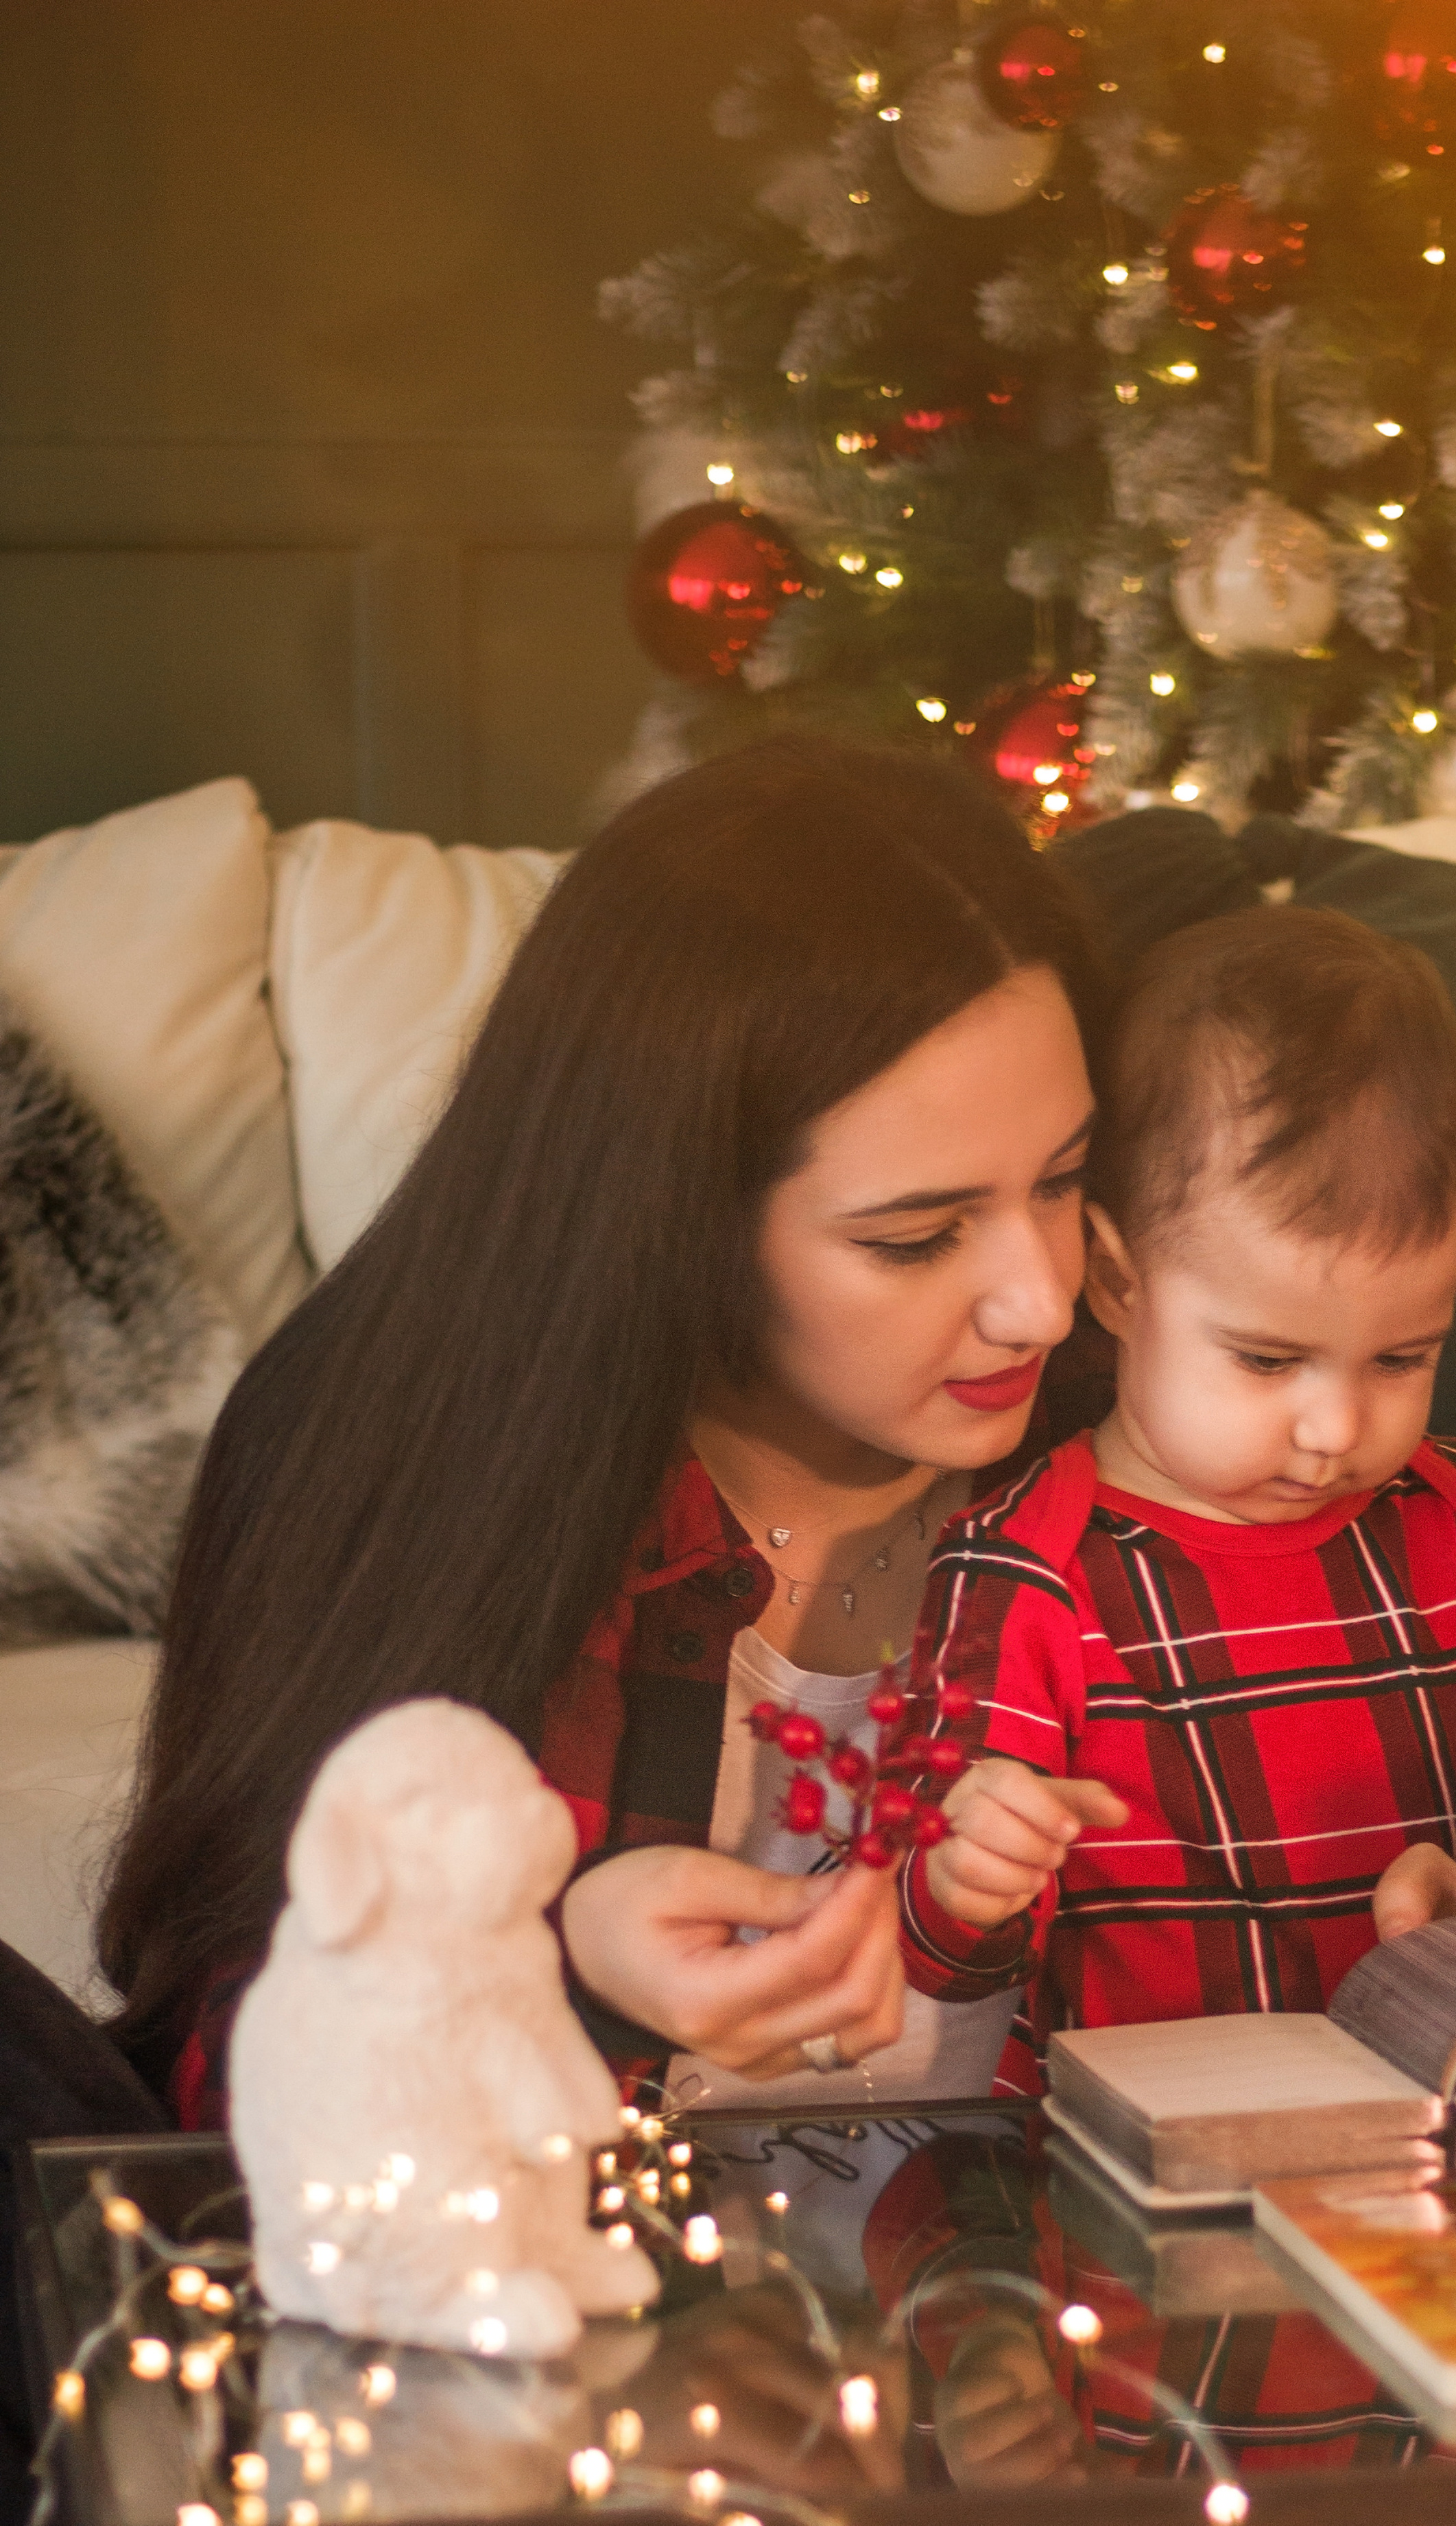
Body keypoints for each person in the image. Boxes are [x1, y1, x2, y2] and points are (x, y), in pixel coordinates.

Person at [95, 736, 1111, 2122]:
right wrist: (560, 1976)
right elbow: (231, 2069)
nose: (1040, 1302)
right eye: (917, 1236)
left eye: (1062, 1179)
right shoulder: (414, 1461)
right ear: (677, 1210)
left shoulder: (1138, 1412)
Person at [894, 905, 1456, 2099]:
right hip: (1144, 2145)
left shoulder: (1439, 1506)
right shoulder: (1022, 1567)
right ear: (1117, 1281)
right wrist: (965, 1874)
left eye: (1401, 1358)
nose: (1337, 1431)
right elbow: (946, 1954)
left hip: (1430, 2104)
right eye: (1269, 1362)